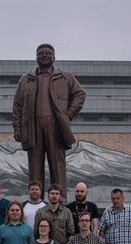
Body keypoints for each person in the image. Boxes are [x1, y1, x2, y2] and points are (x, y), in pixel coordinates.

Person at [12, 43, 85, 201]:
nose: (44, 55)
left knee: (57, 165)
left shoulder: (66, 77)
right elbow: (17, 105)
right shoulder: (25, 80)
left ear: (54, 57)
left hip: (56, 126)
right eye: (40, 53)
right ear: (36, 57)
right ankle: (35, 201)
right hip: (32, 128)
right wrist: (17, 128)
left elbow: (80, 95)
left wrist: (68, 114)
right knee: (35, 166)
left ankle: (61, 201)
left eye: (47, 53)